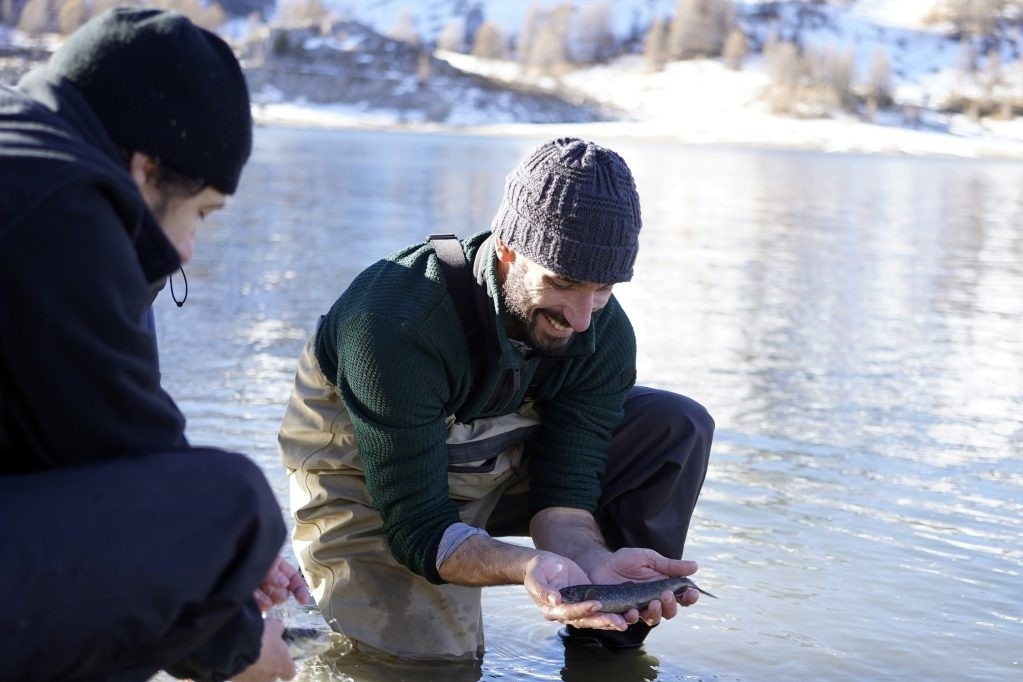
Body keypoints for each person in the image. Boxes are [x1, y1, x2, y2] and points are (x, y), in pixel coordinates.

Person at [278, 137, 714, 661]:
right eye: (563, 283)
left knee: (674, 424)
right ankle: (324, 619)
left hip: (491, 455)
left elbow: (565, 495)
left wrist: (592, 563)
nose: (582, 319)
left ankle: (603, 636)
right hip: (371, 473)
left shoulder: (602, 330)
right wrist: (525, 566)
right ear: (507, 249)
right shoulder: (392, 325)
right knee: (436, 667)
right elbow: (419, 528)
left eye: (604, 290)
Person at [0, 8, 307, 682]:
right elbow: (127, 452)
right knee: (235, 504)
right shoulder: (62, 205)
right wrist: (244, 644)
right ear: (144, 168)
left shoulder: (22, 150)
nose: (189, 250)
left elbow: (77, 438)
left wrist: (223, 572)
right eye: (199, 211)